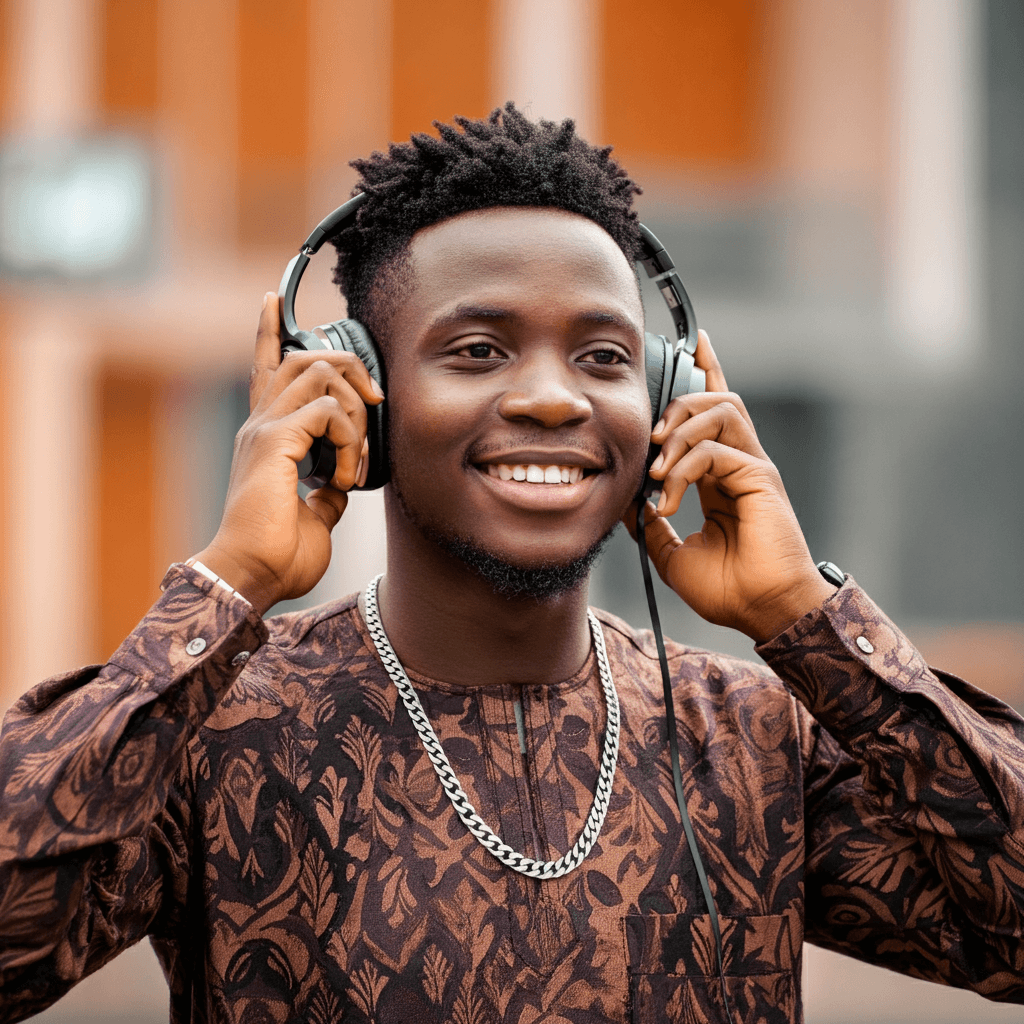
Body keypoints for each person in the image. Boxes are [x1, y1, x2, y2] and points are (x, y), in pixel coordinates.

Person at [1, 104, 1022, 1024]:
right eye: (478, 349)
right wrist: (226, 589)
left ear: (668, 400)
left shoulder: (754, 741)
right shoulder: (215, 728)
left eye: (604, 356)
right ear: (361, 396)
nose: (552, 398)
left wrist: (807, 619)